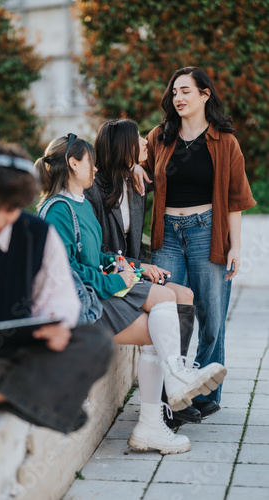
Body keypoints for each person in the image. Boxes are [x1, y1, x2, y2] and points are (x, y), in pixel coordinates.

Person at [34, 133, 227, 454]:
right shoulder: (57, 211)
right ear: (73, 163)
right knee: (164, 304)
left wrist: (123, 266)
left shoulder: (78, 203)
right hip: (80, 307)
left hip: (99, 292)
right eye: (89, 163)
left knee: (160, 321)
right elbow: (65, 274)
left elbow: (95, 257)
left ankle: (156, 418)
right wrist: (117, 281)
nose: (94, 170)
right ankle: (172, 386)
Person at [0, 140, 115, 434]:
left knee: (96, 342)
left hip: (14, 356)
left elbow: (61, 301)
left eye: (11, 211)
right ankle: (20, 399)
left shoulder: (38, 235)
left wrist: (57, 328)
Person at [133, 66, 256, 418]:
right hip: (167, 232)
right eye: (174, 92)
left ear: (205, 95)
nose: (178, 97)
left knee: (211, 317)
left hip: (208, 232)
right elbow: (135, 162)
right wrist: (135, 168)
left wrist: (235, 246)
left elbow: (235, 198)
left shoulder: (225, 142)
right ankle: (174, 391)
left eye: (186, 90)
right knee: (171, 312)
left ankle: (205, 392)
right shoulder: (160, 136)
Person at [85, 118, 201, 426]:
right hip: (109, 279)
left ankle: (171, 394)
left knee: (186, 295)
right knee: (167, 304)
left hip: (131, 273)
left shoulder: (136, 185)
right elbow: (97, 256)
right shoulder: (94, 191)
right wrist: (139, 269)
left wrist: (133, 168)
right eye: (139, 138)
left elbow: (164, 173)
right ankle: (167, 401)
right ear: (124, 147)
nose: (147, 141)